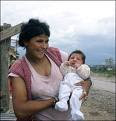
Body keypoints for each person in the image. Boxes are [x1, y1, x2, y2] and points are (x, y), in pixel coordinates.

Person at [8, 18, 92, 121]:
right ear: (26, 41)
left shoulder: (57, 55)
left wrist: (88, 84)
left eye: (46, 41)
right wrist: (55, 100)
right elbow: (20, 110)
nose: (44, 46)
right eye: (39, 41)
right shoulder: (19, 69)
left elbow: (82, 71)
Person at [55, 50, 90, 120]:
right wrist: (65, 64)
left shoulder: (84, 67)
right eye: (72, 58)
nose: (74, 59)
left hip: (78, 86)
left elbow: (85, 76)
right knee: (63, 90)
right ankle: (63, 102)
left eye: (78, 59)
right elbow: (62, 71)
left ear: (83, 62)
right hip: (67, 84)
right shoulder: (68, 67)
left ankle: (76, 111)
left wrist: (78, 68)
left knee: (76, 96)